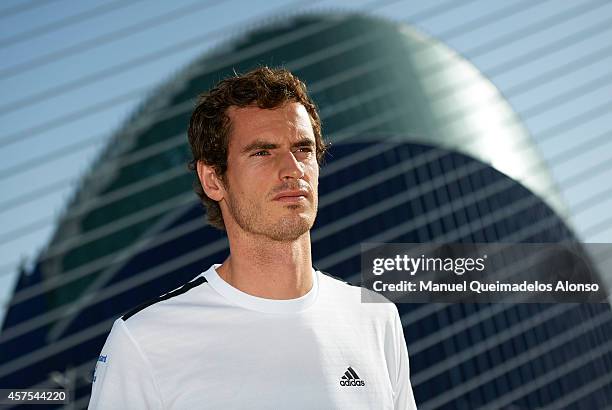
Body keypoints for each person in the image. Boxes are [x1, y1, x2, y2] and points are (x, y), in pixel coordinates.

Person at [88, 67, 417, 409]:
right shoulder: (144, 342)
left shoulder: (376, 320)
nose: (292, 169)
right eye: (262, 152)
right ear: (213, 180)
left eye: (303, 149)